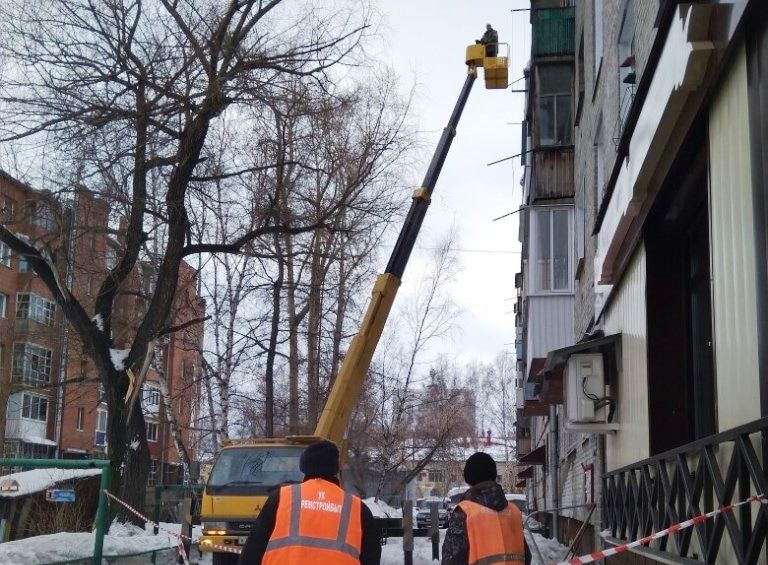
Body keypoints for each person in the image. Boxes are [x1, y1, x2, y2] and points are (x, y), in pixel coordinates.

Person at [239, 440, 381, 565]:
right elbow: (371, 556)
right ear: (335, 469)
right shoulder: (357, 508)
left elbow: (252, 551)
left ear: (304, 467)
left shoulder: (281, 498)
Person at [442, 452, 531, 565]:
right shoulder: (514, 511)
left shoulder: (465, 512)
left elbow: (452, 559)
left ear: (468, 478)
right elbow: (526, 556)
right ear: (494, 475)